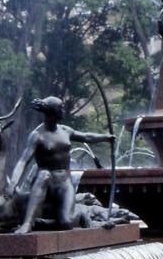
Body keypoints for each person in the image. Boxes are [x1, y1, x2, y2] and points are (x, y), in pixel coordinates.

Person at [11, 96, 116, 234]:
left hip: (64, 183)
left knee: (66, 223)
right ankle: (27, 223)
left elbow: (86, 136)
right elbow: (23, 161)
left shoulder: (65, 130)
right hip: (45, 183)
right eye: (60, 108)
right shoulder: (37, 135)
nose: (63, 111)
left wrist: (106, 137)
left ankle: (48, 223)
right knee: (44, 174)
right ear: (51, 112)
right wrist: (13, 182)